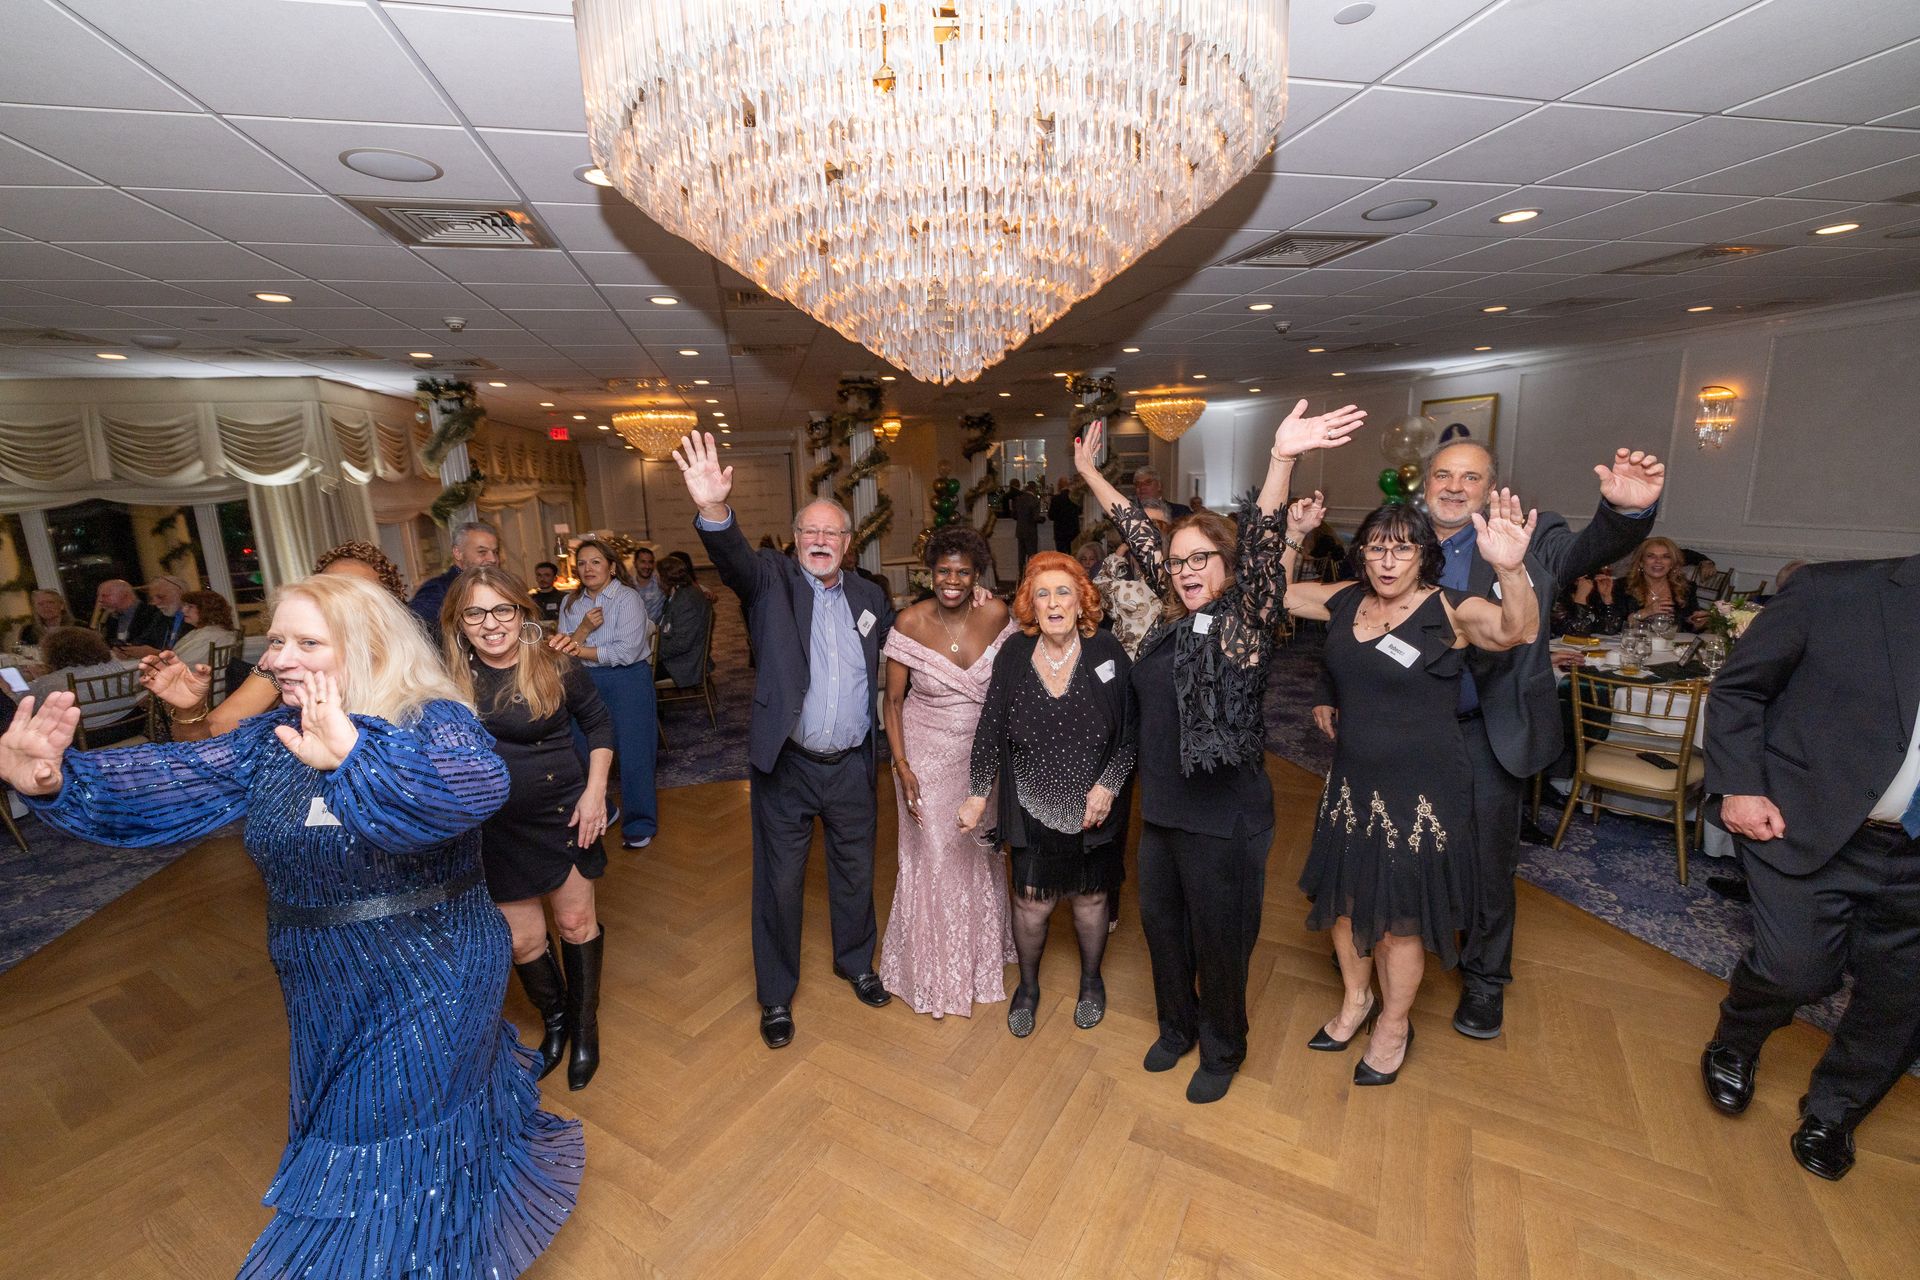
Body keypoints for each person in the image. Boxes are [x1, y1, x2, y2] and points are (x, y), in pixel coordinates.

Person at [2, 574, 582, 1276]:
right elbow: (178, 776)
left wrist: (356, 757)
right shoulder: (271, 736)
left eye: (307, 642)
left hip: (435, 969)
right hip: (323, 979)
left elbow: (469, 789)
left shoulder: (433, 719)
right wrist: (60, 781)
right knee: (390, 1133)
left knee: (373, 1146)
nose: (277, 658)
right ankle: (448, 1241)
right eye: (277, 640)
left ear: (368, 647)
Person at [1315, 439, 1664, 1042]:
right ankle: (1377, 950)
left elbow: (1586, 550)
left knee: (1484, 860)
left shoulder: (1526, 534)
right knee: (1385, 846)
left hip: (1483, 728)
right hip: (1399, 733)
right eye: (1443, 475)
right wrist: (1331, 688)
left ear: (1491, 486)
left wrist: (1626, 513)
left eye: (1471, 477)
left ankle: (1483, 976)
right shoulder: (1398, 539)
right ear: (1425, 482)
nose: (1454, 487)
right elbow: (1356, 616)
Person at [1075, 401, 1366, 1103]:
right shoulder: (1173, 620)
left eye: (1201, 559)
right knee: (1163, 930)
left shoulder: (1245, 622)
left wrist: (1281, 459)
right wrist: (1089, 473)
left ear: (1229, 567)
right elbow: (1139, 533)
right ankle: (1176, 1027)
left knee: (1221, 941)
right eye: (1177, 562)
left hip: (1227, 819)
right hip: (1164, 812)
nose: (1184, 570)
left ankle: (1223, 1046)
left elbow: (1265, 546)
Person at [1288, 493, 1541, 1087]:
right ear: (1361, 554)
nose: (1387, 561)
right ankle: (1356, 1000)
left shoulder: (1451, 608)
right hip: (1351, 782)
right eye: (1376, 548)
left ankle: (1394, 1024)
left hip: (1422, 790)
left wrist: (1510, 569)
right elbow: (1276, 593)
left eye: (1401, 549)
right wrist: (1293, 535)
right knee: (1346, 900)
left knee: (1399, 917)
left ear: (1424, 555)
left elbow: (1518, 629)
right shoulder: (1346, 598)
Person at [1698, 553, 1920, 1182]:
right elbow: (1740, 688)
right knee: (1795, 969)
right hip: (1808, 822)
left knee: (1901, 1000)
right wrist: (1740, 784)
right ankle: (1737, 1038)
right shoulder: (1834, 590)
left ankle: (1835, 1111)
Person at [677, 431, 897, 1050]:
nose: (821, 541)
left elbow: (904, 645)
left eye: (832, 533)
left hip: (852, 763)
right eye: (810, 532)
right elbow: (733, 561)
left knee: (855, 871)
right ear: (796, 539)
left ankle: (856, 962)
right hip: (789, 763)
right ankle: (775, 995)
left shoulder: (870, 595)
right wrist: (713, 509)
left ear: (848, 544)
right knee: (779, 882)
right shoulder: (770, 580)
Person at [444, 567, 614, 1091]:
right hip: (495, 826)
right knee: (523, 942)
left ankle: (585, 1031)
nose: (491, 623)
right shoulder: (449, 678)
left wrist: (595, 793)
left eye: (502, 609)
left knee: (575, 925)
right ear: (459, 622)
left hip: (564, 813)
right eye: (475, 612)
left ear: (522, 612)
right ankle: (557, 1022)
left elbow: (600, 724)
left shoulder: (555, 662)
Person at [959, 551, 1134, 1040]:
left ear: (1082, 601)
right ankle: (1029, 987)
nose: (1054, 603)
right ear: (1030, 605)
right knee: (1031, 903)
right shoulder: (1014, 653)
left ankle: (1091, 982)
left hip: (1095, 805)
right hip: (1031, 801)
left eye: (1063, 592)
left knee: (1091, 899)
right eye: (1042, 594)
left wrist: (1109, 785)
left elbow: (1130, 733)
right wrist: (977, 793)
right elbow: (990, 728)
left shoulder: (1106, 651)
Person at [880, 525, 1017, 1018]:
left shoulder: (996, 613)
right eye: (943, 571)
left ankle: (976, 962)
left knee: (977, 854)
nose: (952, 581)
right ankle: (933, 971)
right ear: (930, 574)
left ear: (977, 575)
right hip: (925, 758)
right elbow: (893, 702)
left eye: (963, 572)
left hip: (981, 761)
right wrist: (901, 766)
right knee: (935, 856)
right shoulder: (910, 621)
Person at [141, 542, 414, 742]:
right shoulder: (285, 667)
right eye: (330, 588)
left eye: (358, 593)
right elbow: (207, 740)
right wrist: (189, 711)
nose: (341, 602)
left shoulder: (413, 684)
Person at [557, 536, 657, 851]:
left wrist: (578, 647)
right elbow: (562, 652)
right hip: (583, 681)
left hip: (627, 680)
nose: (588, 568)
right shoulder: (570, 602)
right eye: (582, 563)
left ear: (611, 567)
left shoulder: (627, 598)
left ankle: (639, 824)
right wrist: (584, 629)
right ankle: (607, 809)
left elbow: (626, 652)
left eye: (596, 562)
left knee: (634, 755)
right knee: (578, 751)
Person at [27, 627, 145, 745]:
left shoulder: (51, 682)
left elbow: (26, 704)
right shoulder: (112, 665)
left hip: (91, 736)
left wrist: (38, 679)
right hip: (132, 723)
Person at [409, 520, 501, 641]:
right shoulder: (439, 589)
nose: (493, 559)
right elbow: (412, 631)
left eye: (495, 552)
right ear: (458, 553)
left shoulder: (499, 586)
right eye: (482, 552)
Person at [1615, 536, 1707, 632]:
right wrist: (1646, 612)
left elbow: (1689, 627)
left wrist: (1697, 624)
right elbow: (1614, 626)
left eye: (1666, 557)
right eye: (1651, 556)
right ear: (1641, 562)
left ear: (1672, 563)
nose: (1658, 561)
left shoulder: (1686, 588)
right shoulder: (1622, 586)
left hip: (1671, 641)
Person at [655, 551, 713, 690]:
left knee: (632, 671)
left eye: (657, 575)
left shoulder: (685, 601)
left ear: (665, 578)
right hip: (680, 656)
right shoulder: (679, 593)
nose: (655, 579)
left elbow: (681, 644)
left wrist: (652, 652)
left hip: (684, 663)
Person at [171, 589, 241, 671]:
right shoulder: (212, 630)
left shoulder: (209, 635)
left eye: (190, 606)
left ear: (206, 610)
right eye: (184, 605)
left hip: (195, 677)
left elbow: (180, 663)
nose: (183, 610)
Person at [94, 578, 170, 654]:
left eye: (105, 595)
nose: (100, 600)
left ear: (124, 595)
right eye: (99, 596)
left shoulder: (154, 613)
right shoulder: (110, 619)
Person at [1009, 481, 1045, 577]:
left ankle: (1020, 575)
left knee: (1021, 556)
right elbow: (1035, 518)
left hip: (1020, 531)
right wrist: (1042, 519)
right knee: (1032, 556)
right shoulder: (1034, 500)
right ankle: (1031, 576)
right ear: (1034, 489)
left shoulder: (1018, 499)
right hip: (1030, 532)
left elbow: (1014, 515)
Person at [630, 544, 665, 624]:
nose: (647, 566)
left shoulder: (660, 583)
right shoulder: (628, 585)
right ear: (635, 564)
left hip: (656, 629)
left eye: (650, 562)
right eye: (643, 562)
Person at [1048, 477, 1083, 553]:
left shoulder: (1055, 499)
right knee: (1073, 552)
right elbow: (1080, 511)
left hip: (1060, 532)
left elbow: (1051, 516)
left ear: (1059, 486)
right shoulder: (1075, 497)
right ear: (1068, 485)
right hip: (1073, 530)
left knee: (1062, 554)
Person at [530, 561, 566, 625]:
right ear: (536, 578)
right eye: (539, 575)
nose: (542, 579)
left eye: (547, 575)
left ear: (555, 578)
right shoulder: (531, 599)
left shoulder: (564, 598)